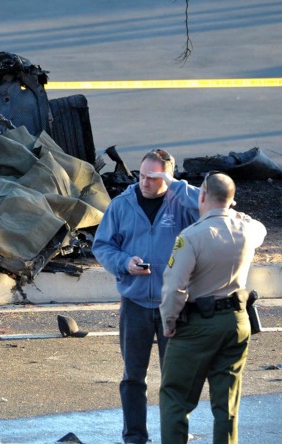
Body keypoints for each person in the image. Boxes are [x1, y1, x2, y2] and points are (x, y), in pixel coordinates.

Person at [91, 148, 201, 444]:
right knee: (132, 377)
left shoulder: (182, 202)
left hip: (174, 305)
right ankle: (135, 437)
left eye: (154, 177)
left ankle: (174, 434)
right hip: (135, 304)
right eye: (142, 175)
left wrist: (176, 185)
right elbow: (102, 246)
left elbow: (213, 204)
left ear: (168, 177)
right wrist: (124, 263)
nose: (145, 182)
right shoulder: (122, 204)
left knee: (176, 379)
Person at [159, 172, 266, 444]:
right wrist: (232, 209)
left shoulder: (191, 236)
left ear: (203, 196)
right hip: (236, 320)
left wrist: (169, 322)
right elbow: (259, 227)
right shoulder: (248, 229)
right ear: (231, 201)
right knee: (227, 403)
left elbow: (174, 288)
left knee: (175, 399)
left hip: (197, 325)